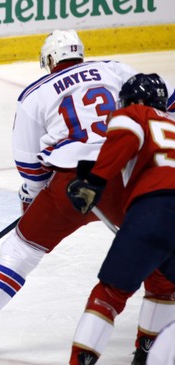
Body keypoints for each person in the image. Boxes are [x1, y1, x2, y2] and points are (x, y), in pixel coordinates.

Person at [0, 29, 139, 353]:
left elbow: (28, 163)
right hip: (120, 174)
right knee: (156, 241)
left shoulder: (34, 94)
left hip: (69, 185)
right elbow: (159, 102)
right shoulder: (116, 69)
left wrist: (31, 199)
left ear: (49, 59)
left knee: (22, 249)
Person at [66, 73, 175, 365]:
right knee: (167, 286)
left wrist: (94, 182)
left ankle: (81, 360)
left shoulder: (135, 114)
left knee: (111, 292)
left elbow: (126, 138)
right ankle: (149, 353)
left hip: (156, 208)